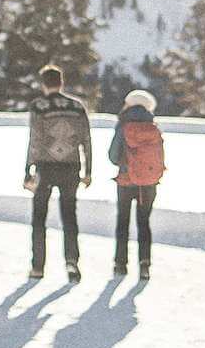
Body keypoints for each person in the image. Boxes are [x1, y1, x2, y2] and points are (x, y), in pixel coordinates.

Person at [23, 64, 93, 282]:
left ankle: (38, 267)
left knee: (39, 217)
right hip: (71, 167)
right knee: (69, 216)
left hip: (46, 165)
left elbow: (34, 139)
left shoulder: (39, 106)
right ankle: (72, 263)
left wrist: (28, 170)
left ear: (44, 84)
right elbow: (87, 140)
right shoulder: (77, 106)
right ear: (61, 82)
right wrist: (88, 170)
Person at [108, 88, 165, 280]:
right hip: (148, 184)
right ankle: (144, 265)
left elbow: (113, 157)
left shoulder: (123, 125)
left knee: (122, 222)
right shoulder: (153, 126)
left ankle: (120, 264)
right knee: (144, 222)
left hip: (125, 181)